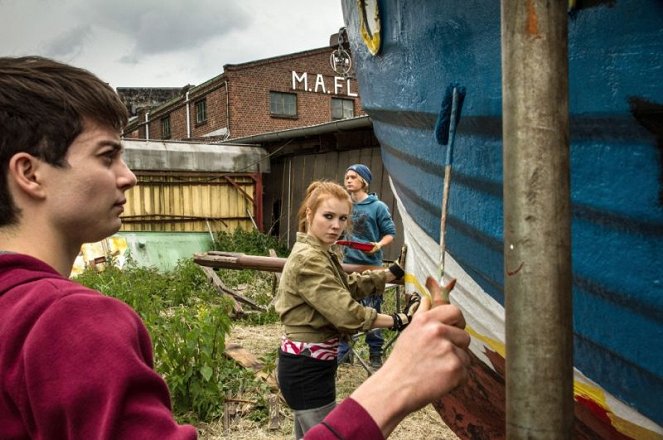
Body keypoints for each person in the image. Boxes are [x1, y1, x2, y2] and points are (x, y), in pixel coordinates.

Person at [0, 56, 470, 440]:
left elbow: (344, 279)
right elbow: (343, 308)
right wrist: (396, 381)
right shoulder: (67, 323)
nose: (129, 175)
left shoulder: (16, 311)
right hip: (307, 362)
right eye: (108, 156)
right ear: (30, 174)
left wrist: (380, 277)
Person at [275, 180, 426, 438]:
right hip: (306, 369)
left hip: (309, 364)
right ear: (310, 214)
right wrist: (399, 319)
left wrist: (388, 275)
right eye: (328, 216)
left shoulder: (320, 252)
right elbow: (346, 313)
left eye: (342, 218)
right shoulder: (309, 259)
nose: (336, 226)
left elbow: (346, 286)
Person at [338, 164, 397, 368]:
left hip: (371, 267)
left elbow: (390, 233)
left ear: (364, 181)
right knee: (345, 309)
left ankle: (375, 354)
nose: (348, 180)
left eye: (353, 177)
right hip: (347, 266)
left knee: (373, 311)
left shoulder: (377, 207)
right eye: (346, 176)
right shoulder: (344, 205)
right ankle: (345, 354)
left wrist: (378, 245)